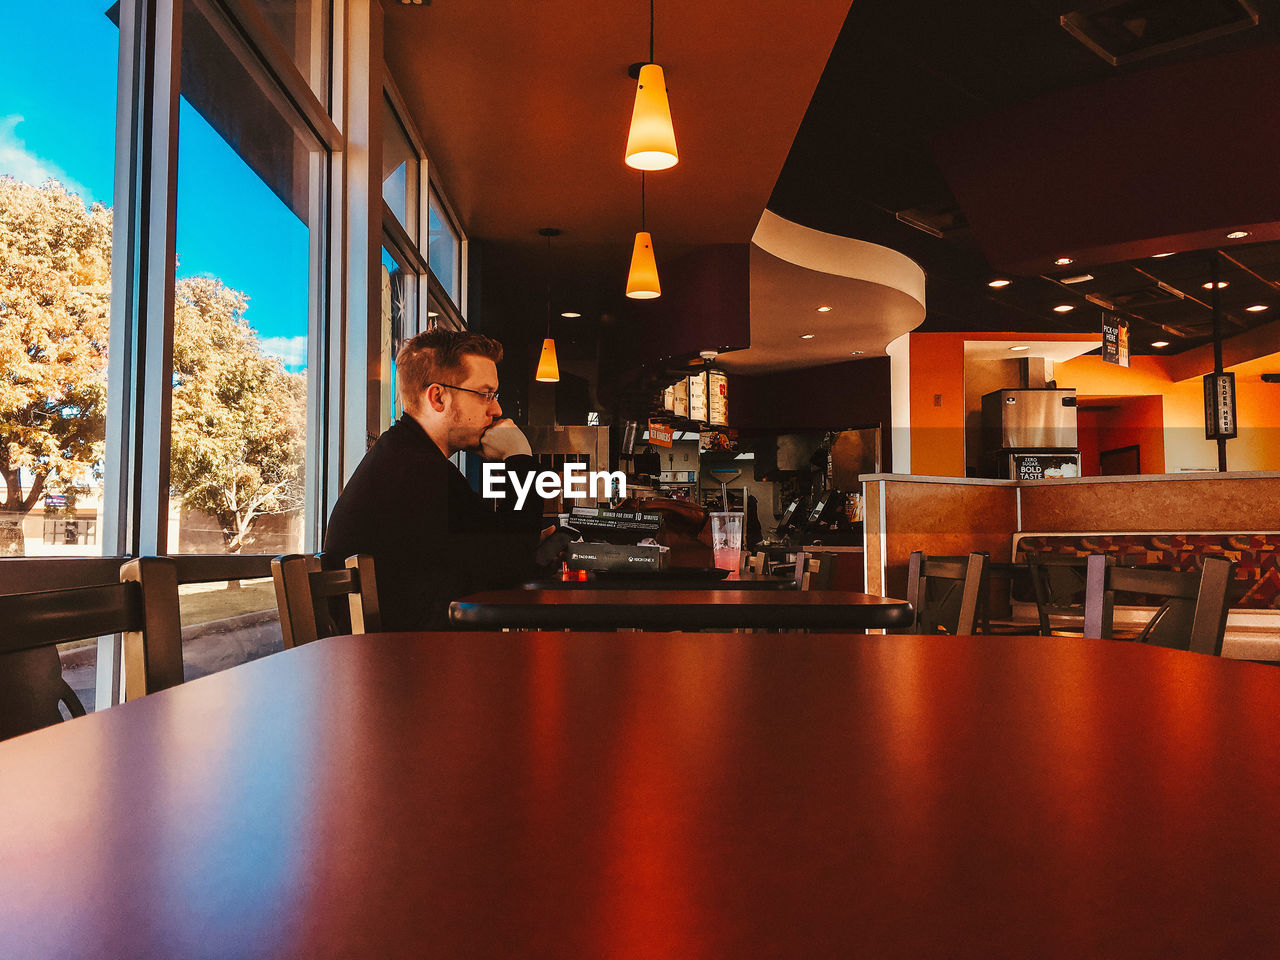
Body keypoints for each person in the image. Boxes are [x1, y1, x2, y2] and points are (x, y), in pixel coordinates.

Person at [324, 329, 546, 630]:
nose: (496, 410)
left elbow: (501, 550)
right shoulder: (416, 470)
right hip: (405, 667)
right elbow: (513, 566)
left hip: (391, 659)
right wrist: (520, 458)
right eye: (485, 394)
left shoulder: (405, 457)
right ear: (438, 397)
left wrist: (525, 539)